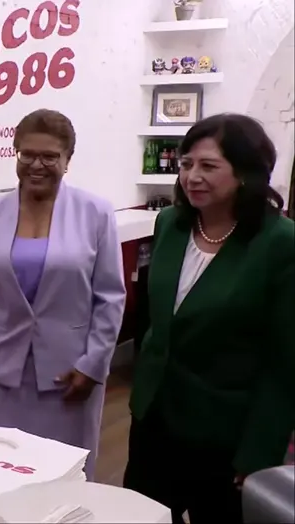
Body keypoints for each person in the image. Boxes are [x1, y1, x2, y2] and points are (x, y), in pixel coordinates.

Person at [123, 114, 295, 523]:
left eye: (208, 166)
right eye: (185, 165)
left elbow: (285, 364)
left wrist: (258, 452)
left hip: (225, 435)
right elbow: (158, 322)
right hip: (154, 419)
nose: (192, 177)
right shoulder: (169, 225)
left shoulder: (280, 244)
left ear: (246, 174)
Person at [0, 109, 126, 481]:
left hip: (70, 374)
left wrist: (92, 364)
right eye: (27, 154)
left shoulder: (96, 213)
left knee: (63, 475)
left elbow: (109, 297)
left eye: (50, 156)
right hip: (5, 374)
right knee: (1, 472)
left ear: (67, 161)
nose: (37, 165)